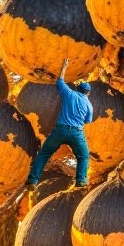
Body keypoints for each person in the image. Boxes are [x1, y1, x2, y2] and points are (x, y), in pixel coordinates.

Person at [25, 59, 94, 189]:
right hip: (76, 133)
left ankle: (32, 181)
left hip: (60, 130)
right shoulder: (89, 105)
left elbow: (60, 81)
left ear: (78, 89)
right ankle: (81, 180)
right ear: (88, 93)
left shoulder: (70, 94)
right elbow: (88, 121)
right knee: (83, 156)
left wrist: (64, 67)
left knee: (44, 154)